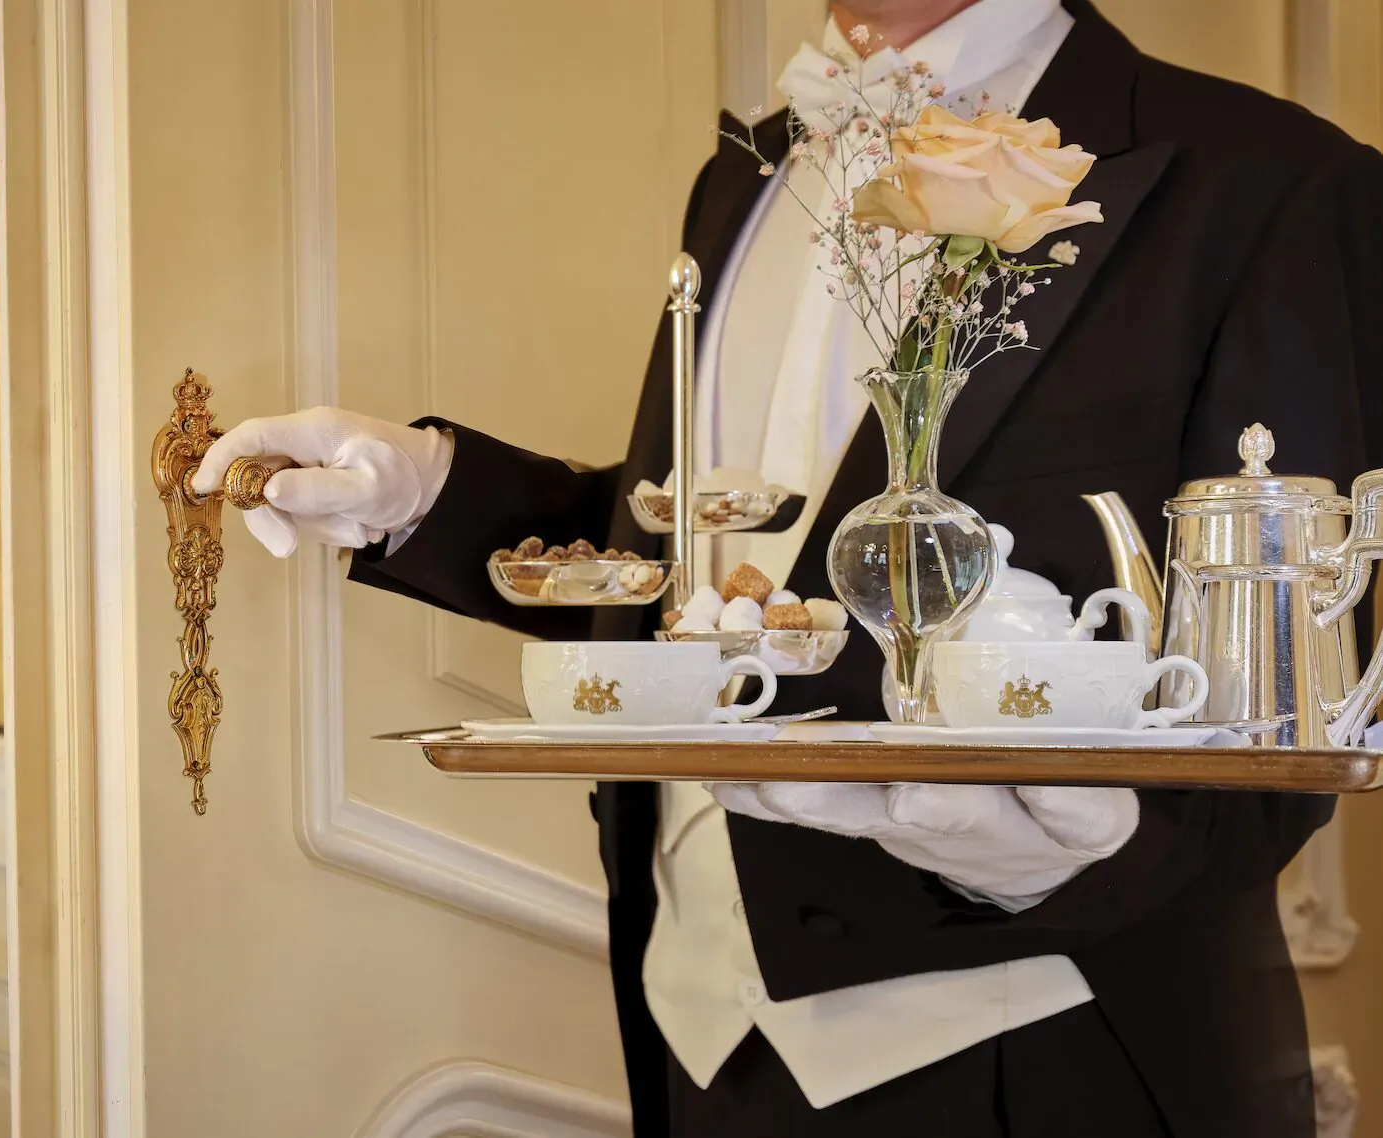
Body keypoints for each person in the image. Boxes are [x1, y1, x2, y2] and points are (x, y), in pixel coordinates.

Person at [199, 0, 1383, 1133]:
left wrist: (1057, 855)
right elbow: (717, 565)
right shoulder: (743, 179)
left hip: (1064, 1044)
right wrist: (429, 492)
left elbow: (1299, 676)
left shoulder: (1270, 182)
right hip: (699, 1029)